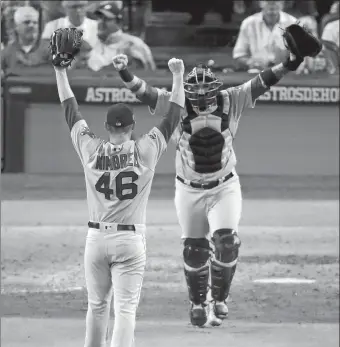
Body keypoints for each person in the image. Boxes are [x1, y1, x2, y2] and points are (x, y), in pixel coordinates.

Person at [113, 45, 304, 327]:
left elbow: (264, 80)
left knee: (227, 242)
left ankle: (219, 299)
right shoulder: (176, 102)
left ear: (215, 89)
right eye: (196, 91)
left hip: (224, 186)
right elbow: (144, 92)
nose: (201, 96)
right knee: (195, 249)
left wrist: (290, 62)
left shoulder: (231, 100)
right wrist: (124, 71)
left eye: (206, 90)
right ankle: (197, 303)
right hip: (188, 188)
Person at [53, 50, 185, 347]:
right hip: (130, 239)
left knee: (97, 305)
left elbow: (70, 110)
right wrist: (177, 76)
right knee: (125, 309)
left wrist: (60, 70)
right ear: (130, 128)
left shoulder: (90, 149)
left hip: (96, 239)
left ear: (108, 128)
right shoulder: (145, 150)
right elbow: (175, 113)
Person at [87, 1, 156, 72]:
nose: (102, 22)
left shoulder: (134, 43)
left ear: (118, 22)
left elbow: (148, 73)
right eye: (100, 18)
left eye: (107, 19)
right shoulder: (93, 44)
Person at [232, 0, 297, 71]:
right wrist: (251, 62)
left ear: (283, 3)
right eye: (267, 1)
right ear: (260, 2)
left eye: (277, 1)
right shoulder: (248, 23)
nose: (272, 3)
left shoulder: (293, 23)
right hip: (257, 73)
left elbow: (302, 56)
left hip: (286, 73)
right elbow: (239, 55)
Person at [1, 6, 48, 74]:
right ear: (16, 26)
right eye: (27, 22)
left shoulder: (50, 50)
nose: (32, 25)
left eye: (35, 23)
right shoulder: (6, 53)